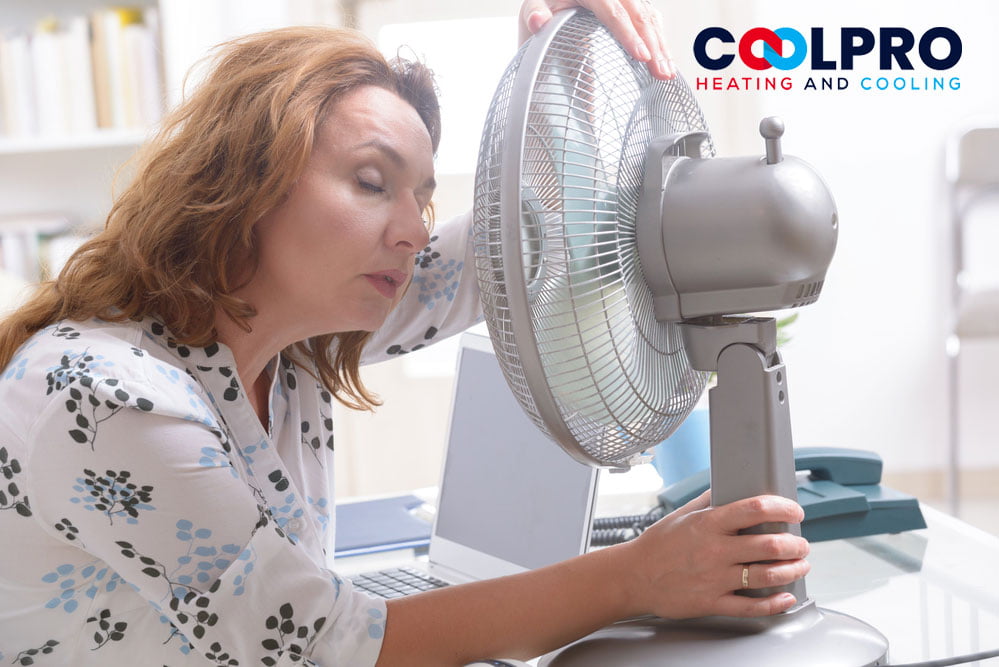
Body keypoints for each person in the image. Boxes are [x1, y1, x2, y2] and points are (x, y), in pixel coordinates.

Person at [0, 2, 810, 665]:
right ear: (244, 179)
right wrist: (637, 576)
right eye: (370, 181)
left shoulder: (291, 346)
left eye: (420, 197)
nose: (413, 232)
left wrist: (558, 74)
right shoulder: (103, 395)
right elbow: (324, 644)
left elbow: (513, 242)